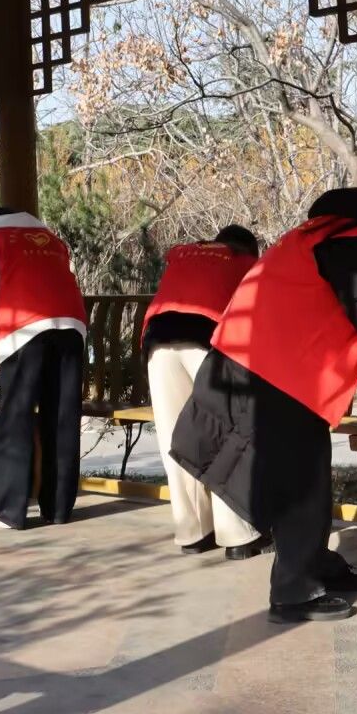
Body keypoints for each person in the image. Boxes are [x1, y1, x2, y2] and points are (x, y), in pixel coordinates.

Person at [170, 187, 357, 624]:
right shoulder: (354, 242)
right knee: (300, 484)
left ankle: (313, 562)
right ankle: (293, 592)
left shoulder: (326, 233)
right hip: (268, 369)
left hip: (259, 362)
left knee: (304, 477)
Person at [143, 226, 270, 559]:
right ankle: (238, 536)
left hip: (158, 340)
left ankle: (193, 532)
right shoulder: (246, 263)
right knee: (227, 434)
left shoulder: (186, 254)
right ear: (249, 250)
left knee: (176, 437)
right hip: (208, 341)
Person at [0, 206, 86, 530]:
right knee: (61, 417)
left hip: (22, 329)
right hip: (71, 327)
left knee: (15, 417)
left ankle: (9, 512)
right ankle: (58, 508)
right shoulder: (51, 239)